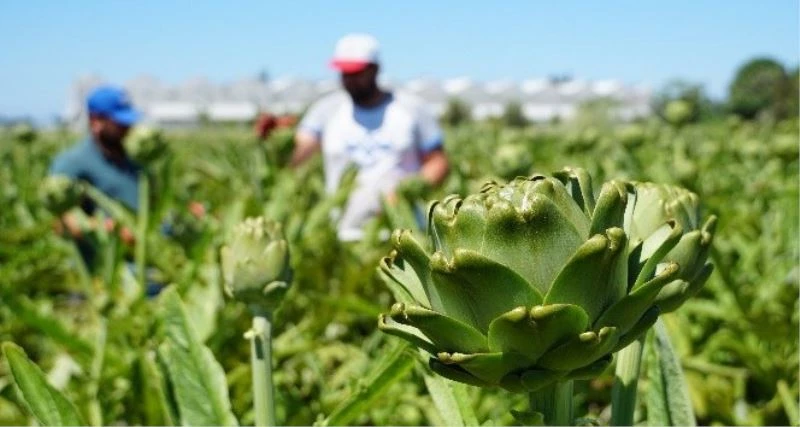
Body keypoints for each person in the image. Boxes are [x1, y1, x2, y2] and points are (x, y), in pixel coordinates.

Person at [290, 33, 450, 242]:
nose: (350, 80)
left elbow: (438, 162)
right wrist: (276, 138)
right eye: (344, 73)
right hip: (340, 232)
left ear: (375, 69)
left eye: (356, 73)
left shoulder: (412, 108)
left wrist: (406, 193)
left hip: (405, 232)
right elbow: (297, 156)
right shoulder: (325, 110)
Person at [49, 85, 203, 296]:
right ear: (96, 122)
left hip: (148, 263)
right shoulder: (73, 163)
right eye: (119, 122)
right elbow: (61, 223)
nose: (128, 127)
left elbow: (155, 204)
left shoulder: (134, 161)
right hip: (106, 274)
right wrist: (108, 229)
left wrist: (183, 210)